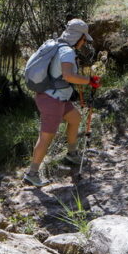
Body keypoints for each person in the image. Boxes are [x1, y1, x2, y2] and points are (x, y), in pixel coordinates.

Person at [23, 18, 94, 187]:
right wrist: (90, 81)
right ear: (77, 37)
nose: (84, 43)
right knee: (46, 137)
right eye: (84, 39)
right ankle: (32, 174)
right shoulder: (67, 52)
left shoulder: (58, 45)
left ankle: (71, 153)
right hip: (52, 100)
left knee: (75, 118)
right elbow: (69, 76)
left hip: (56, 97)